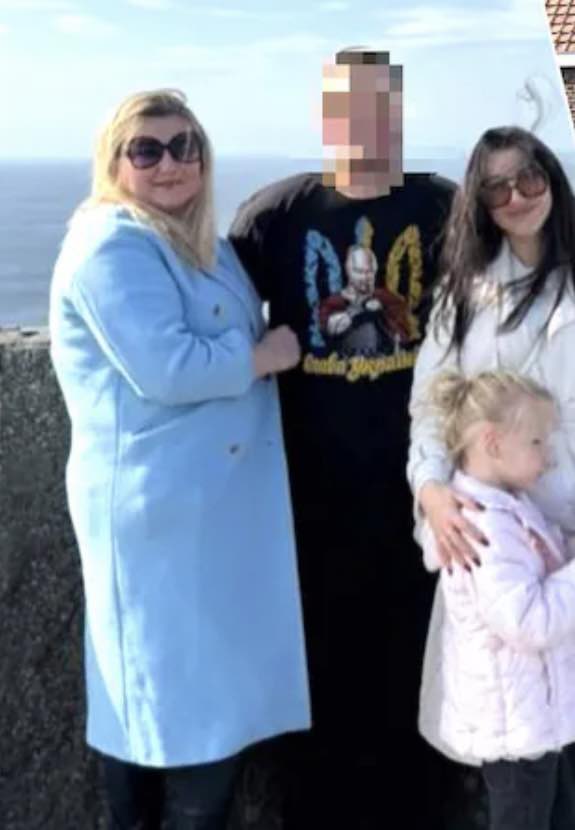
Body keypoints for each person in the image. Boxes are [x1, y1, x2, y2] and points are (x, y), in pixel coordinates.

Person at [49, 89, 310, 830]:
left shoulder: (193, 241)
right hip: (159, 518)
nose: (170, 164)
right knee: (172, 704)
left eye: (184, 146)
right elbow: (165, 368)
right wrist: (260, 356)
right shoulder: (111, 243)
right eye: (148, 149)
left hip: (200, 513)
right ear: (115, 160)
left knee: (188, 701)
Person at [229, 47, 454, 829]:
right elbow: (206, 305)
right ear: (325, 116)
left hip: (420, 494)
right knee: (316, 669)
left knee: (416, 669)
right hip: (306, 498)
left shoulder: (443, 208)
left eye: (376, 104)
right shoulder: (275, 215)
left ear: (397, 112)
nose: (361, 121)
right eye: (345, 105)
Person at [408, 125, 575, 826]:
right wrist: (430, 489)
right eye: (497, 187)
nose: (517, 197)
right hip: (502, 547)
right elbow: (431, 403)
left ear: (551, 178)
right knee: (524, 747)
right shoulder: (466, 294)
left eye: (528, 178)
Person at [418, 368, 575, 830]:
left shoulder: (508, 505)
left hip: (535, 722)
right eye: (536, 442)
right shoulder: (484, 527)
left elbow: (546, 561)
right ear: (493, 443)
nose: (547, 457)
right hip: (514, 734)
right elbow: (528, 621)